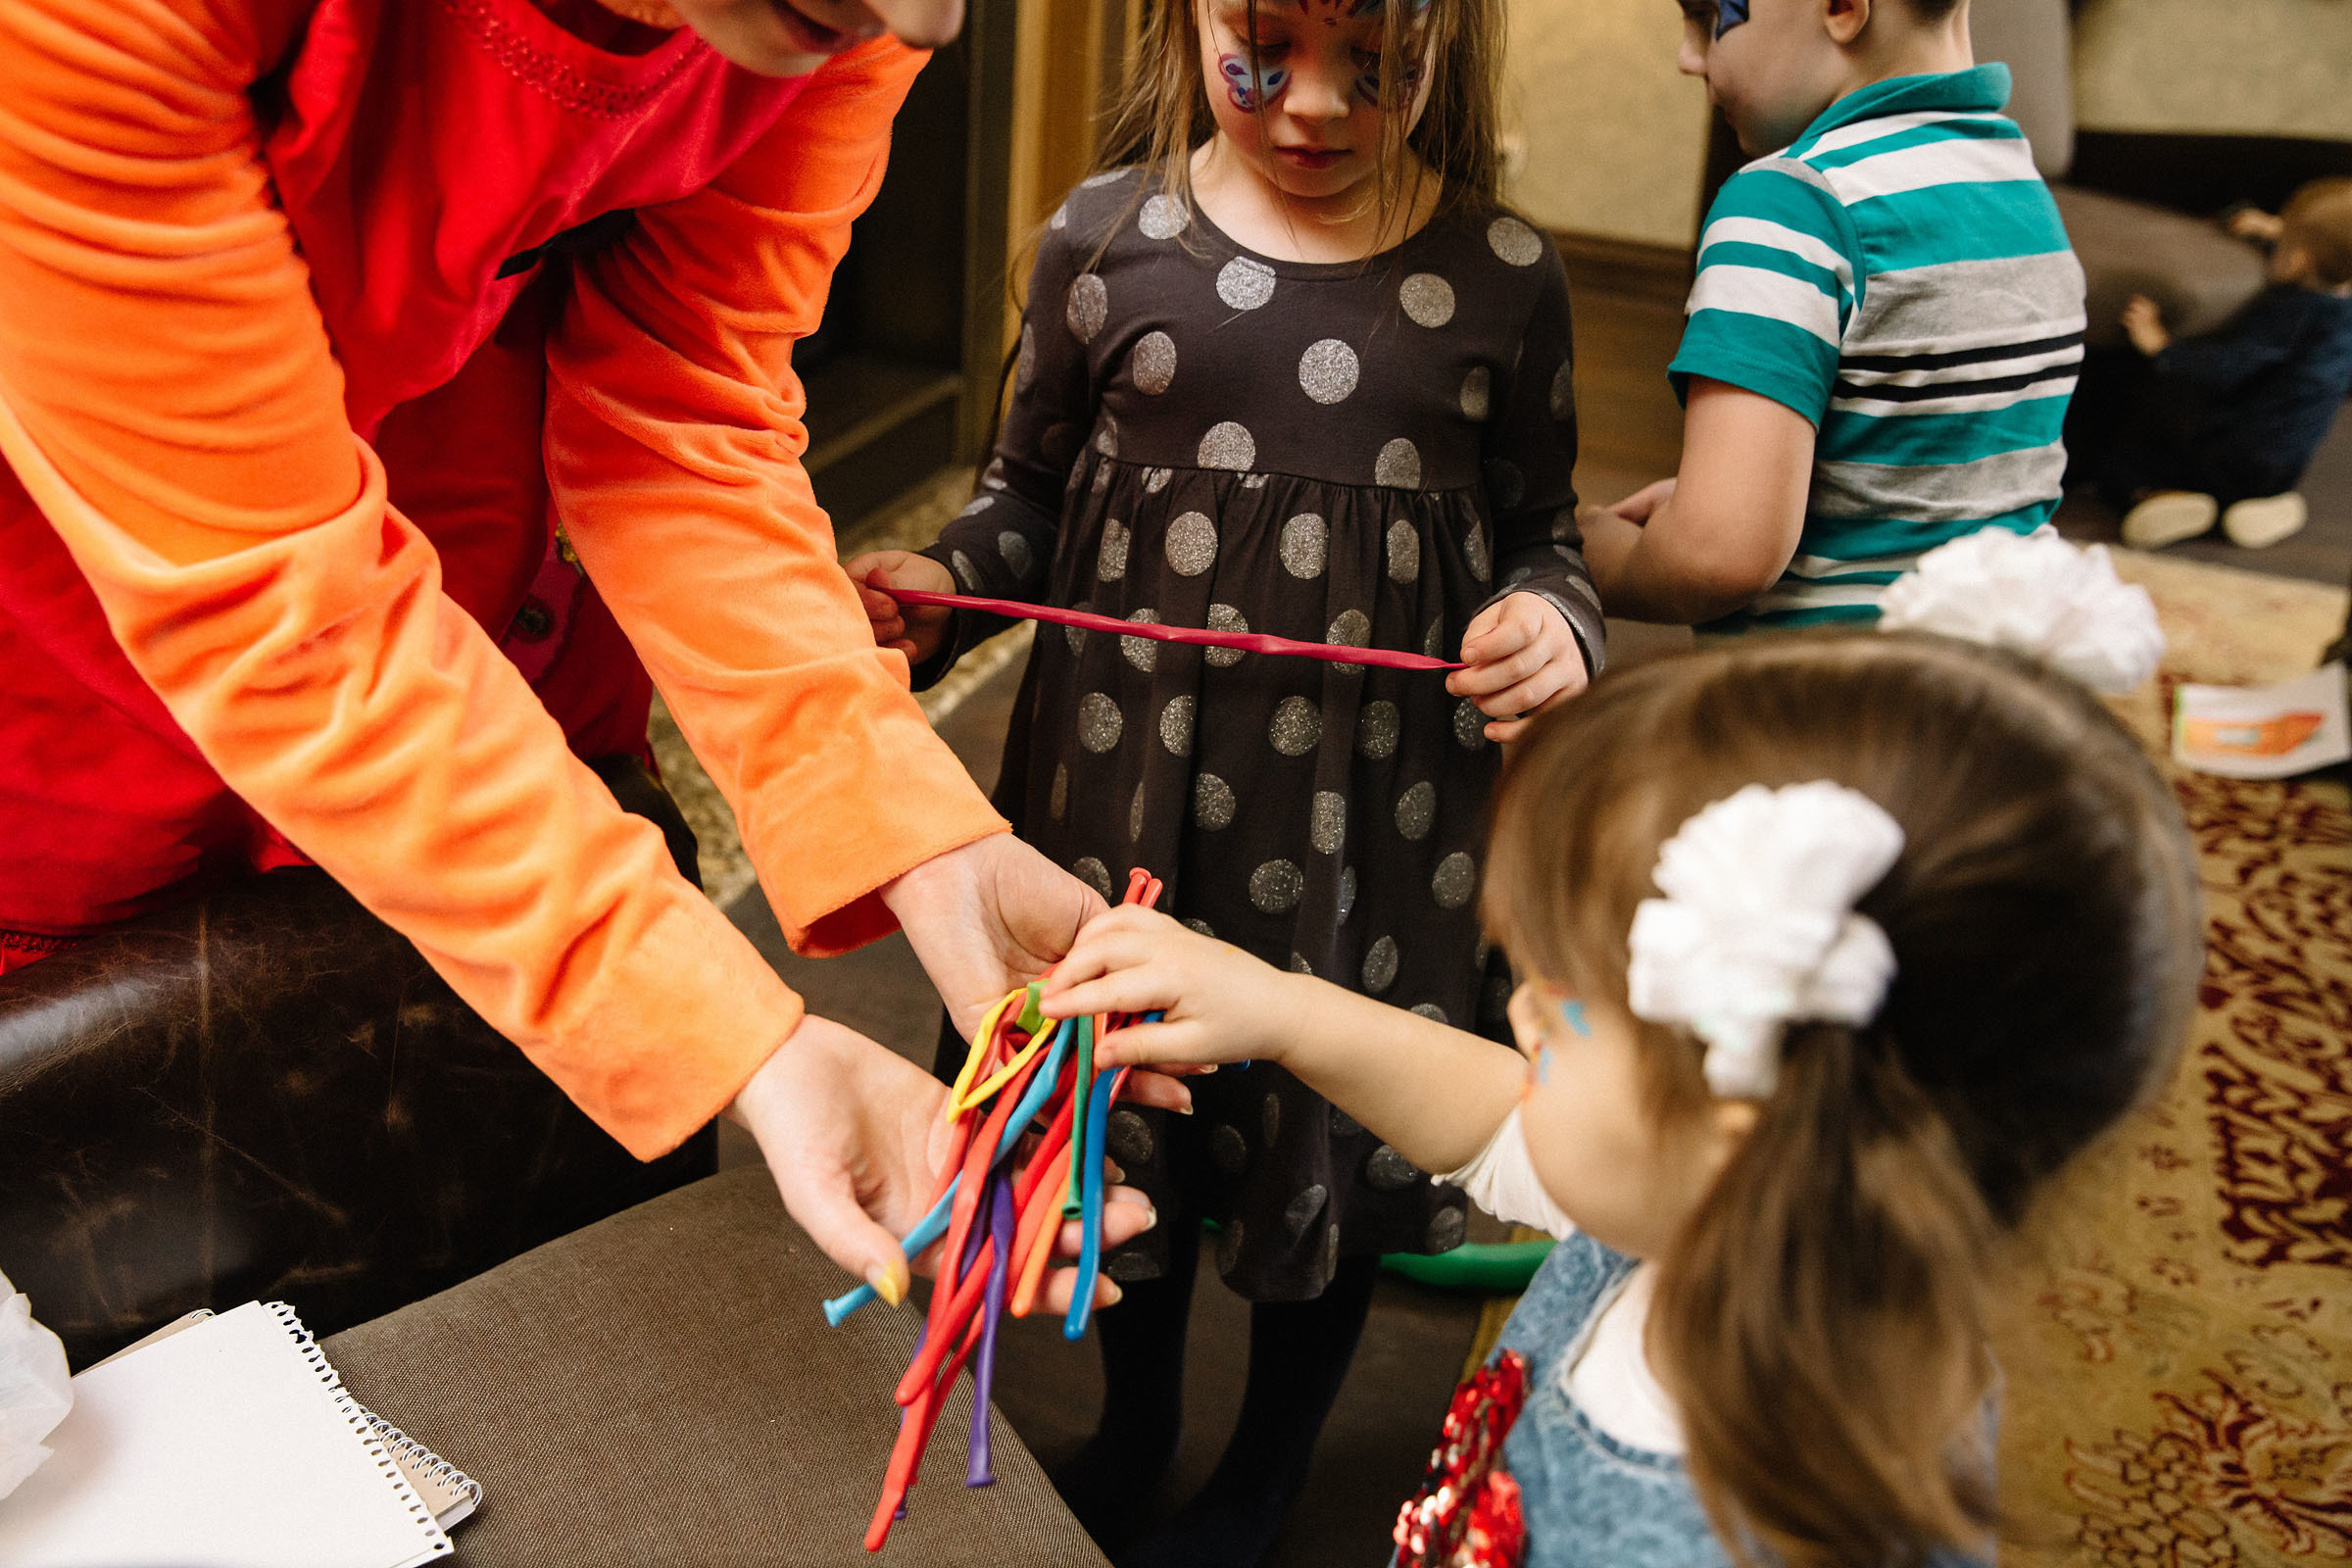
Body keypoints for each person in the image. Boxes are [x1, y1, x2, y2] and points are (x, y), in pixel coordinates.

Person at [0, 0, 1164, 1318]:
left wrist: (908, 824)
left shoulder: (853, 16)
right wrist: (724, 1029)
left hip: (469, 637)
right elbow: (275, 602)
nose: (926, 20)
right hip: (68, 695)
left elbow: (686, 405)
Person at [848, 0, 1602, 1558]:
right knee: (1142, 1107)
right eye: (1263, 56)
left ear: (1443, 43)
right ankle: (1135, 1429)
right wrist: (941, 583)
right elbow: (1022, 504)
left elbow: (1550, 539)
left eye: (1374, 66)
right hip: (1118, 803)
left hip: (1372, 834)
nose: (1315, 106)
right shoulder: (1099, 239)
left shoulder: (1505, 279)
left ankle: (1270, 1471)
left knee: (1320, 1130)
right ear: (1186, 22)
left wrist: (1555, 626)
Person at [1039, 597, 2202, 1567]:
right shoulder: (1743, 1222)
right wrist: (1284, 1007)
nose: (1524, 1010)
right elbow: (1511, 1117)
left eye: (1568, 1004)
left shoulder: (1741, 1531)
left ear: (1743, 1125)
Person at [1579, 0, 2083, 633]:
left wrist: (1591, 557)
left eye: (1709, 16)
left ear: (1844, 7)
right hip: (1991, 692)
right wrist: (1708, 494)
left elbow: (1716, 557)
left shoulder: (1788, 204)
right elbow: (1933, 473)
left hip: (1826, 706)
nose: (1689, 57)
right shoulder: (2022, 193)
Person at [2073, 178, 2352, 552]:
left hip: (2227, 458)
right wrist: (2277, 230)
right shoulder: (2342, 309)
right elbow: (2319, 259)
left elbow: (2228, 366)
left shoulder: (2290, 312)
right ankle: (2265, 504)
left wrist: (2162, 345)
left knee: (2123, 459)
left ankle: (2158, 494)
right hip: (2284, 466)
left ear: (2300, 258)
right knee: (2265, 464)